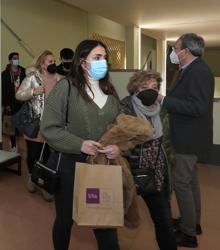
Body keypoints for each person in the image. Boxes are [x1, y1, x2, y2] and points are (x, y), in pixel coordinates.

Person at [40, 40, 121, 250]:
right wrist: (79, 144)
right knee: (65, 219)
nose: (103, 62)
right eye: (97, 58)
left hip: (100, 166)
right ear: (83, 62)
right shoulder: (66, 87)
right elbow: (49, 127)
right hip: (69, 165)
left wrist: (118, 146)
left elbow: (119, 127)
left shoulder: (110, 92)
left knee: (104, 222)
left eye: (105, 58)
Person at [158, 33, 214, 248]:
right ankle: (193, 223)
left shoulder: (198, 72)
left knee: (181, 182)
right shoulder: (189, 70)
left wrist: (165, 100)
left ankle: (188, 233)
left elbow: (197, 107)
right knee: (189, 181)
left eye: (175, 48)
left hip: (189, 138)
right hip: (187, 136)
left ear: (186, 51)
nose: (173, 52)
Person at [120, 70, 177, 250]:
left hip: (157, 170)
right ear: (134, 89)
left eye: (154, 87)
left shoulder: (162, 109)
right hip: (133, 168)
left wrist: (171, 164)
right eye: (145, 87)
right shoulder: (125, 108)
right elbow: (121, 139)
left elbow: (166, 141)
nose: (150, 91)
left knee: (164, 219)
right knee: (115, 212)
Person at [16, 50, 62, 201]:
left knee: (49, 156)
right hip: (35, 124)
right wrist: (33, 91)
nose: (53, 64)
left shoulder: (59, 79)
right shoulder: (32, 78)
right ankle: (32, 177)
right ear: (42, 64)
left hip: (54, 126)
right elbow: (19, 95)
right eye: (50, 61)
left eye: (54, 61)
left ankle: (45, 183)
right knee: (34, 154)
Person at [1, 52, 26, 152]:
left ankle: (24, 145)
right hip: (11, 102)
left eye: (18, 58)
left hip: (22, 101)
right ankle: (13, 145)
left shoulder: (23, 71)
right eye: (15, 58)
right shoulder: (5, 74)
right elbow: (4, 90)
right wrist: (6, 104)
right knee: (12, 125)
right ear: (10, 60)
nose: (17, 60)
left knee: (23, 124)